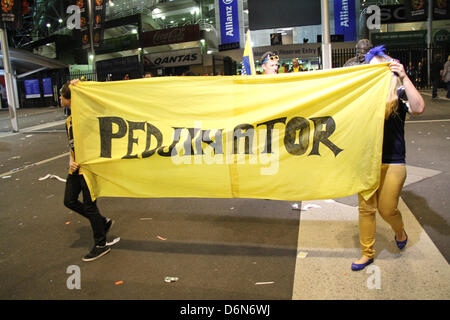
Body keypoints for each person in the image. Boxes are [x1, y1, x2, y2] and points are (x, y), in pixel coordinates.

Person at [351, 46, 425, 271]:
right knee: (366, 209)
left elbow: (419, 107)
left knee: (387, 209)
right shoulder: (362, 96)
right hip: (366, 161)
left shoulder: (400, 94)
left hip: (393, 161)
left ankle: (399, 230)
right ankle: (367, 253)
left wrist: (404, 76)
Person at [60, 81, 115, 262]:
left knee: (90, 205)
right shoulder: (69, 121)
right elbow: (72, 146)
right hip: (76, 167)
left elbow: (102, 106)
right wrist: (71, 162)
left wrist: (82, 86)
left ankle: (101, 244)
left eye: (62, 96)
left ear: (69, 99)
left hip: (89, 168)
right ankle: (102, 221)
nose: (60, 98)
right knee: (69, 200)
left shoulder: (88, 118)